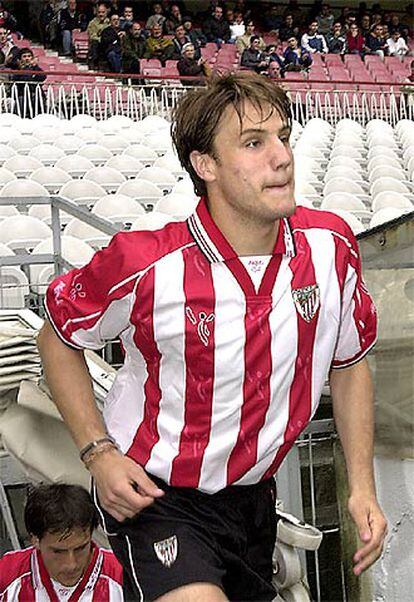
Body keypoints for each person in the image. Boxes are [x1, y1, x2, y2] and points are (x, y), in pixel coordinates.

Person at [38, 70, 387, 602]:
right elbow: (58, 337)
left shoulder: (332, 247)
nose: (282, 156)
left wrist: (362, 484)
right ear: (206, 166)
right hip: (158, 498)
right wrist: (98, 453)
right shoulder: (146, 262)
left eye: (283, 136)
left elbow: (349, 362)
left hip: (253, 503)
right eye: (253, 143)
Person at [0, 483, 123, 600]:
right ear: (35, 540)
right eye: (58, 552)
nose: (72, 565)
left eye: (80, 548)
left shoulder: (123, 575)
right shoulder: (7, 574)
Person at [11, 47, 46, 117]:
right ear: (20, 59)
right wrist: (26, 71)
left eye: (29, 56)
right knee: (21, 100)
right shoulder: (16, 70)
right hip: (22, 95)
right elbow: (21, 80)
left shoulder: (37, 69)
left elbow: (42, 77)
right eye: (24, 56)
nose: (27, 58)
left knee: (39, 100)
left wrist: (35, 67)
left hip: (35, 95)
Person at [87, 2, 110, 69]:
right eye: (99, 12)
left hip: (108, 45)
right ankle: (95, 65)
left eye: (103, 12)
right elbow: (92, 36)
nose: (101, 14)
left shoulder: (110, 22)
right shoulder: (92, 23)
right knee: (94, 43)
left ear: (106, 12)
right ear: (96, 13)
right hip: (97, 45)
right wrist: (103, 40)